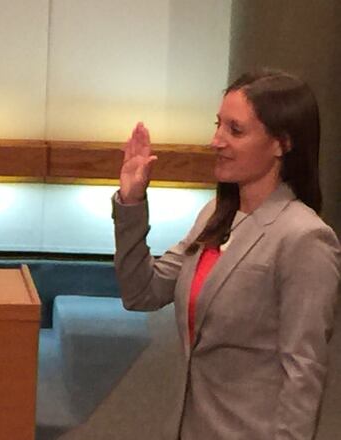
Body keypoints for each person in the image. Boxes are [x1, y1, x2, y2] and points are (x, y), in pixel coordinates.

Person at [112, 70, 341, 439]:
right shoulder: (214, 214)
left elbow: (304, 371)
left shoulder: (305, 238)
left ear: (281, 144)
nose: (216, 141)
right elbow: (142, 292)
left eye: (235, 130)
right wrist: (131, 201)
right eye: (218, 125)